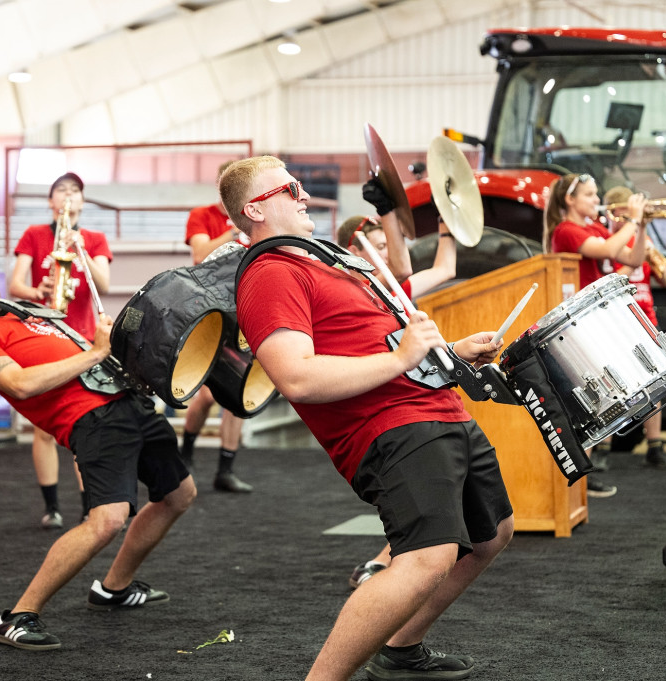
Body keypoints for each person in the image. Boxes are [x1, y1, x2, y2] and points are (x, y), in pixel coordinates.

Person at [230, 155, 514, 681]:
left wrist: (448, 352)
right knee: (427, 557)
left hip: (434, 407)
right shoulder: (269, 272)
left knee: (492, 532)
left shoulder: (324, 261)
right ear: (254, 209)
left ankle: (401, 651)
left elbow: (379, 339)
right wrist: (402, 359)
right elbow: (296, 376)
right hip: (391, 424)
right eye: (289, 189)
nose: (303, 195)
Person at [0, 241, 195, 651]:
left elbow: (88, 355)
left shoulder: (25, 315)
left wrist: (110, 347)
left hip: (127, 403)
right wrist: (96, 352)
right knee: (107, 520)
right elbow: (20, 384)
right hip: (93, 420)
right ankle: (17, 616)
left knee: (178, 495)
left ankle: (113, 589)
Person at [336, 180, 459, 589]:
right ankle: (384, 563)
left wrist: (448, 227)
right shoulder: (352, 291)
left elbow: (444, 270)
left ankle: (386, 559)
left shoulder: (392, 292)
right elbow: (404, 267)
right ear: (355, 251)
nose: (389, 251)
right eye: (379, 244)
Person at [8, 172, 113, 527]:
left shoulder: (95, 239)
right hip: (42, 337)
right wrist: (37, 290)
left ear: (82, 201)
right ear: (51, 202)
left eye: (75, 191)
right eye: (61, 190)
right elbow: (15, 284)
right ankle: (51, 507)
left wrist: (80, 247)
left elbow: (105, 283)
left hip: (81, 338)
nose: (68, 196)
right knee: (43, 429)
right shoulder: (35, 235)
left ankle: (88, 507)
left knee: (84, 424)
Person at [544, 173, 651, 497]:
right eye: (590, 195)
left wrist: (641, 226)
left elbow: (633, 259)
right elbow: (605, 248)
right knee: (587, 400)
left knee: (597, 399)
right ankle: (579, 478)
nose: (596, 200)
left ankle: (583, 476)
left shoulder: (595, 227)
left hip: (594, 321)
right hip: (575, 326)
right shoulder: (566, 231)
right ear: (570, 200)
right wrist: (632, 220)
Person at [179, 160, 253, 493]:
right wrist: (236, 229)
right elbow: (200, 254)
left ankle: (226, 468)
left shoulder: (256, 215)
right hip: (210, 311)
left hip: (245, 309)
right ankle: (186, 454)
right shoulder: (202, 215)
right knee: (207, 397)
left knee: (239, 391)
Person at [598, 185, 666, 469]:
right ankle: (603, 449)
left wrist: (655, 259)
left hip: (646, 316)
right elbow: (604, 282)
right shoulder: (607, 243)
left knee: (657, 380)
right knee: (611, 382)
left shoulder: (640, 239)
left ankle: (655, 447)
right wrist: (636, 257)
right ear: (611, 213)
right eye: (621, 215)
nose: (625, 220)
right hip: (616, 318)